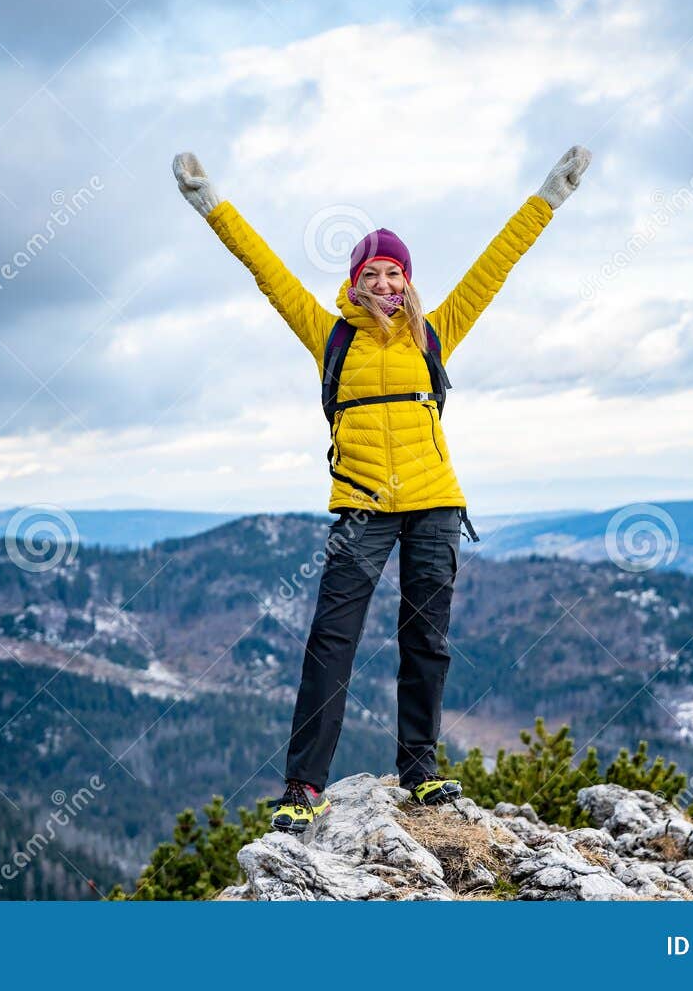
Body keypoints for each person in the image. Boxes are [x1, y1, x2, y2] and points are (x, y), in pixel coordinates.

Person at [172, 145, 592, 833]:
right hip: (361, 505)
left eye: (396, 272)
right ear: (355, 281)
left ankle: (420, 773)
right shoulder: (329, 335)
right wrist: (210, 201)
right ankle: (304, 784)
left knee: (427, 639)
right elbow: (265, 271)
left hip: (434, 503)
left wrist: (549, 196)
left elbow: (497, 265)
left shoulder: (435, 332)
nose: (388, 283)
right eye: (375, 273)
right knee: (331, 639)